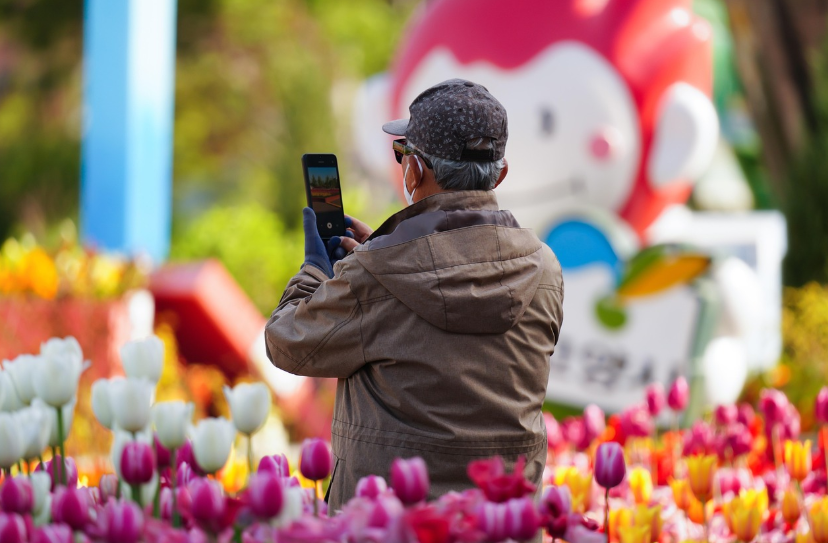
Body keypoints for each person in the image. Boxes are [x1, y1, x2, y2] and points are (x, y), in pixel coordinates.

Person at [265, 79, 564, 512]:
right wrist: (375, 259)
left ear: (415, 171)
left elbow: (287, 343)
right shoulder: (545, 270)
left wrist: (316, 271)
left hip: (390, 525)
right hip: (501, 524)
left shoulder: (375, 274)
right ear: (499, 173)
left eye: (401, 152)